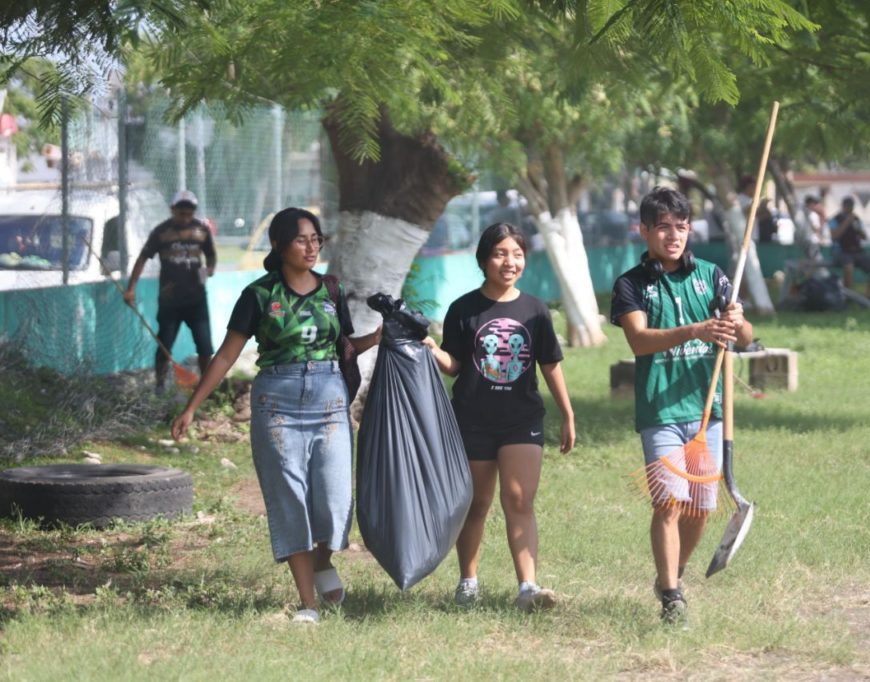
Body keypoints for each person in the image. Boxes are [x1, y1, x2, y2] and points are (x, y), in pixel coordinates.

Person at [170, 207, 380, 625]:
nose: (312, 247)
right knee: (290, 501)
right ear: (280, 245)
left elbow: (347, 347)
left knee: (337, 501)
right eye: (302, 239)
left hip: (329, 401)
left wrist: (378, 337)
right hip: (277, 404)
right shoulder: (259, 294)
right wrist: (193, 406)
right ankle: (308, 604)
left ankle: (323, 563)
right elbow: (228, 353)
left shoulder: (332, 290)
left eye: (316, 239)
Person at [610, 187, 753, 626]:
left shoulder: (712, 275)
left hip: (707, 410)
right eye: (664, 227)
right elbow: (638, 339)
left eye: (682, 227)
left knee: (701, 508)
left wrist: (735, 322)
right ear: (645, 231)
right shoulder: (630, 284)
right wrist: (695, 330)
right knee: (668, 504)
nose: (674, 235)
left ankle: (674, 571)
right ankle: (671, 594)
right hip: (660, 412)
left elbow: (746, 340)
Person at [422, 222, 575, 613]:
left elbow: (550, 365)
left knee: (519, 499)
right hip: (472, 418)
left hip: (521, 418)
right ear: (484, 259)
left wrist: (568, 414)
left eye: (518, 254)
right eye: (501, 253)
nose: (510, 262)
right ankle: (468, 582)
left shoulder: (536, 310)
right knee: (476, 503)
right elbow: (455, 365)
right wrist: (432, 350)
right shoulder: (463, 308)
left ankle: (528, 586)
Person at [123, 190, 217, 391]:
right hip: (169, 300)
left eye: (189, 213)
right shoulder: (161, 232)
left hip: (196, 299)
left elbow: (211, 256)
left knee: (205, 346)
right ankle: (159, 385)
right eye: (181, 212)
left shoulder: (202, 231)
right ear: (172, 209)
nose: (185, 217)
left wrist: (208, 269)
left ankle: (206, 388)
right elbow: (142, 259)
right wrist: (131, 288)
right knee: (165, 344)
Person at [828, 196, 870, 300]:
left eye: (851, 206)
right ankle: (848, 296)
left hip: (856, 251)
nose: (849, 209)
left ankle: (869, 294)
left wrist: (857, 228)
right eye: (847, 206)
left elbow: (864, 237)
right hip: (841, 252)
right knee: (849, 267)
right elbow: (834, 236)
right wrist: (846, 222)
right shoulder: (835, 219)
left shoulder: (856, 219)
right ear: (843, 206)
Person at [796, 195, 827, 261]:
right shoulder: (812, 215)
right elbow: (816, 230)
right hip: (810, 244)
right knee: (816, 261)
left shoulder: (800, 213)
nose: (815, 206)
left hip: (803, 243)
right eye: (814, 204)